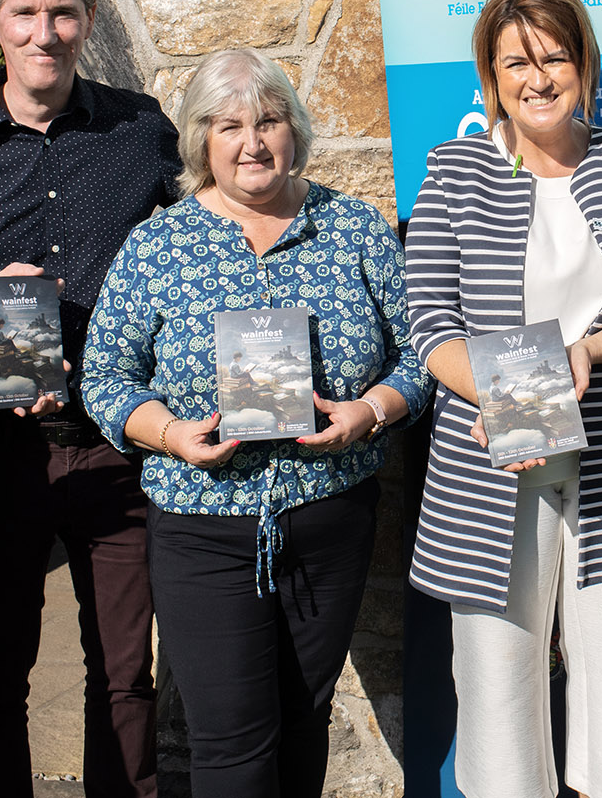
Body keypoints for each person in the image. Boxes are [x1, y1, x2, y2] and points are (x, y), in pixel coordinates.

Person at [81, 48, 431, 797]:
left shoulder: (354, 230)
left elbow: (424, 353)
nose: (252, 141)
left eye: (269, 120)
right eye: (229, 124)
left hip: (329, 519)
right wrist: (170, 434)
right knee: (231, 743)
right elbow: (105, 376)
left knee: (304, 719)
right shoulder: (158, 245)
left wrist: (371, 410)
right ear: (201, 140)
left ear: (294, 129)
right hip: (203, 526)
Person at [0, 0, 180, 798]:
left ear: (88, 19)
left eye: (62, 11)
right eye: (24, 11)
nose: (44, 31)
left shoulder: (143, 130)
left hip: (117, 446)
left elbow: (196, 247)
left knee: (127, 678)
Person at [406, 0, 602, 798]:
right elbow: (428, 326)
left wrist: (591, 353)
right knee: (496, 697)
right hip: (493, 466)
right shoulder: (454, 171)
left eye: (555, 57)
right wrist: (503, 400)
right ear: (489, 79)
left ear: (584, 65)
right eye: (515, 63)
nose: (537, 78)